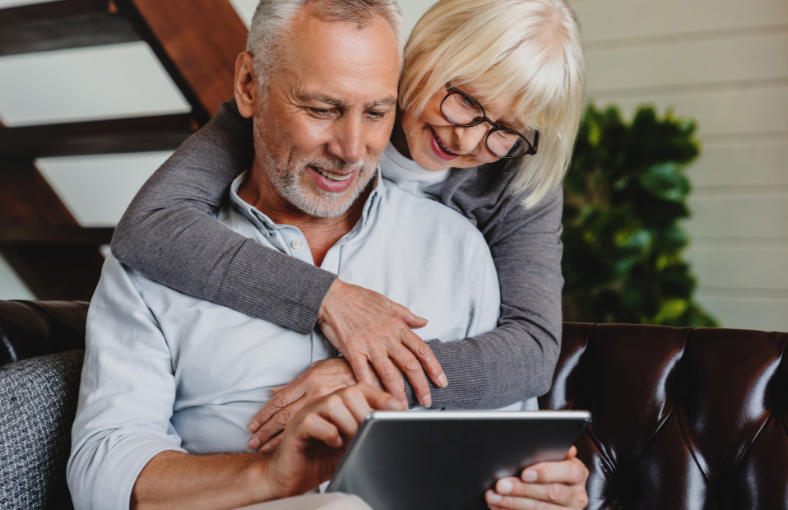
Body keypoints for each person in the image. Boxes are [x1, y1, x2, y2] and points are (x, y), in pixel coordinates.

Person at [68, 2, 589, 509]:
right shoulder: (168, 251)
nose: (350, 148)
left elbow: (530, 354)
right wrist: (328, 299)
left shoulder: (472, 237)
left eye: (375, 113)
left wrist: (540, 482)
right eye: (322, 109)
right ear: (418, 64)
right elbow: (149, 228)